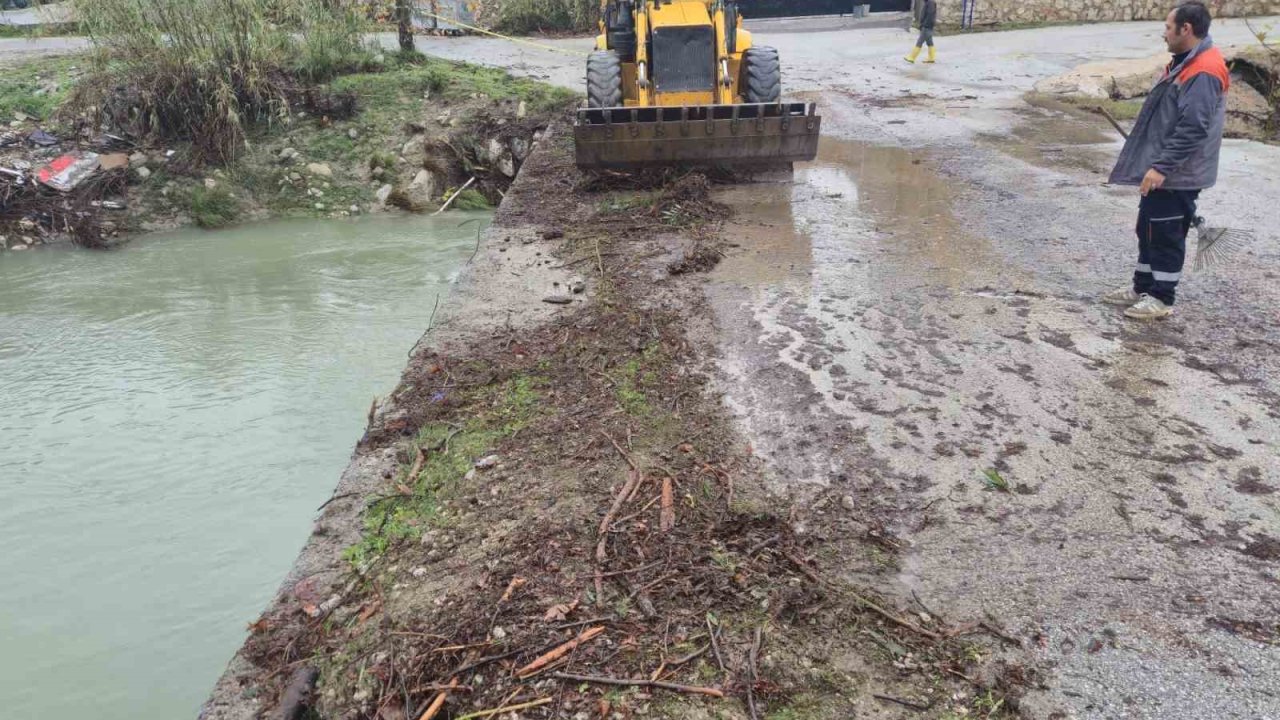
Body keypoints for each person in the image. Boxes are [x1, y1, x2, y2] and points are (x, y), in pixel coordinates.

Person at [1104, 1, 1229, 319]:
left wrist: (1161, 166)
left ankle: (1162, 298)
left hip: (1178, 172)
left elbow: (1193, 127)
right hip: (1165, 166)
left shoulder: (1203, 70)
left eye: (1167, 26)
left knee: (1165, 233)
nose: (1164, 33)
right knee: (1147, 228)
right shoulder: (1185, 62)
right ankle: (1142, 287)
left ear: (1185, 29)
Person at [905, 0, 937, 64]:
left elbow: (930, 15)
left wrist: (924, 25)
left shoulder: (930, 3)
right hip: (927, 25)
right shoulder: (929, 2)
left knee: (920, 41)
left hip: (926, 26)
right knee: (929, 42)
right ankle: (931, 58)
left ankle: (912, 57)